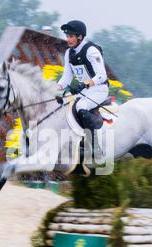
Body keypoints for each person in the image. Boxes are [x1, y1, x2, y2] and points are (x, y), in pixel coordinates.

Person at [57, 20, 109, 162]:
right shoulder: (69, 53)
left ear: (80, 36)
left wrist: (86, 83)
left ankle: (94, 146)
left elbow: (102, 75)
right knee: (62, 104)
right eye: (67, 36)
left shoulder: (91, 50)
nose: (68, 39)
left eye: (71, 36)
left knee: (80, 106)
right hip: (85, 91)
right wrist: (57, 88)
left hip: (99, 89)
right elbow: (67, 76)